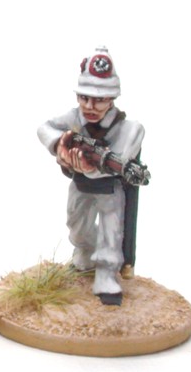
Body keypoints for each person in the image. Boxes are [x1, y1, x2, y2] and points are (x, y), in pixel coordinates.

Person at [38, 46, 145, 306]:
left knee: (111, 231)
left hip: (109, 189)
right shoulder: (74, 117)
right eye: (84, 98)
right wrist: (61, 146)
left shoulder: (129, 129)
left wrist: (92, 165)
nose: (90, 106)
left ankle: (107, 274)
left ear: (112, 99)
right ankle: (86, 255)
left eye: (99, 100)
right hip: (80, 185)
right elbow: (44, 129)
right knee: (77, 227)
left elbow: (119, 160)